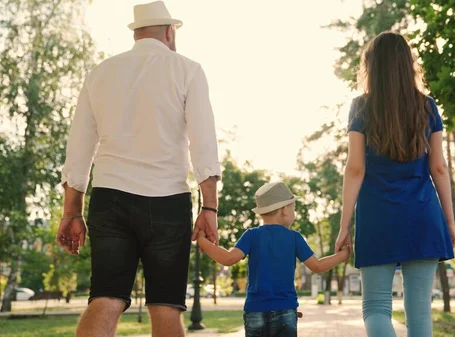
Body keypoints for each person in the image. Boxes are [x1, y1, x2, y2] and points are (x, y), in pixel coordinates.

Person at [56, 2, 221, 336]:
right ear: (170, 31)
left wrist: (71, 211)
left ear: (136, 32)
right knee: (165, 307)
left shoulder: (101, 72)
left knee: (105, 297)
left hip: (110, 198)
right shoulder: (187, 69)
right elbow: (203, 144)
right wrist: (210, 206)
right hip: (168, 200)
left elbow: (79, 148)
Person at [335, 31, 455, 337]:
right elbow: (439, 168)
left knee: (375, 309)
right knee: (419, 314)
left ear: (371, 67)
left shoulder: (360, 107)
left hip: (378, 219)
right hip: (423, 215)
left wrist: (344, 226)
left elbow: (355, 169)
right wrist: (449, 222)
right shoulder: (427, 106)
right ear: (408, 64)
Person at [197, 181, 350, 337]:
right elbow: (317, 266)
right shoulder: (294, 238)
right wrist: (343, 255)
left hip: (255, 311)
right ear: (284, 209)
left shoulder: (251, 235)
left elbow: (228, 258)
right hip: (285, 311)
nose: (294, 212)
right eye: (293, 208)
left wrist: (203, 241)